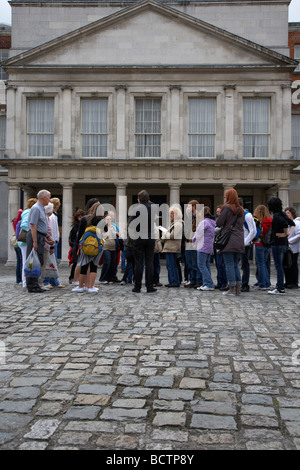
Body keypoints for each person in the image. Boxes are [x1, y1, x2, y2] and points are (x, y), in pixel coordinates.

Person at [215, 188, 244, 296]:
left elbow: (219, 222)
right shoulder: (241, 209)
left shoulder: (227, 208)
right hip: (239, 239)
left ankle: (231, 288)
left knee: (229, 264)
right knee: (235, 264)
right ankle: (237, 287)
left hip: (229, 239)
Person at [128, 189, 157, 293]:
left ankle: (137, 286)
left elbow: (131, 225)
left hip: (139, 237)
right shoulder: (153, 207)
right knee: (149, 262)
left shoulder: (136, 208)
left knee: (138, 263)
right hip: (150, 237)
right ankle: (150, 286)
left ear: (139, 199)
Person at [72, 201, 104, 293]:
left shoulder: (85, 219)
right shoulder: (101, 220)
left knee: (83, 265)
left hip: (85, 245)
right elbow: (105, 232)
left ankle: (81, 286)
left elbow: (80, 233)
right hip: (97, 246)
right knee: (94, 266)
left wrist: (79, 244)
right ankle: (90, 287)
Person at [267, 197, 295, 295]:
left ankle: (280, 287)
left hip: (277, 244)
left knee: (278, 266)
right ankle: (280, 286)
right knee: (281, 266)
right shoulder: (283, 214)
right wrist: (286, 234)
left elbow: (285, 224)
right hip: (283, 243)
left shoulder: (277, 216)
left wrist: (285, 233)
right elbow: (292, 224)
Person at [26, 189, 52, 293]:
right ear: (44, 197)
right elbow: (33, 225)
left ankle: (36, 284)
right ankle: (32, 285)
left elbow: (40, 226)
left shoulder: (41, 208)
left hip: (40, 236)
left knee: (39, 260)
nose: (49, 199)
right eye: (49, 197)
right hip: (35, 236)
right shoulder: (36, 208)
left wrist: (46, 237)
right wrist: (35, 241)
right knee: (33, 261)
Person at [192, 206, 216, 291]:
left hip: (202, 246)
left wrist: (193, 240)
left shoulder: (204, 222)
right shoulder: (212, 222)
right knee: (206, 265)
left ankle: (208, 283)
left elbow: (198, 234)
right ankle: (207, 283)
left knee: (201, 265)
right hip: (209, 246)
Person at [17, 198, 37, 288]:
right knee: (26, 261)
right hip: (26, 241)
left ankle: (27, 280)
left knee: (28, 261)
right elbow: (24, 225)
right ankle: (25, 281)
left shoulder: (28, 212)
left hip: (27, 241)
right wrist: (32, 232)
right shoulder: (28, 212)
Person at [161, 205, 183, 288]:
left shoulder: (178, 224)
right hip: (170, 247)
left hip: (172, 248)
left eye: (172, 214)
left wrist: (165, 234)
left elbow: (173, 235)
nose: (171, 216)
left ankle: (174, 282)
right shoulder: (174, 224)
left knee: (172, 266)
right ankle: (172, 281)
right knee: (170, 265)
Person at [238, 198, 257, 292]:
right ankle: (238, 283)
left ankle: (245, 284)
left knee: (245, 265)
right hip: (237, 243)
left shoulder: (247, 215)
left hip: (244, 244)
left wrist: (245, 241)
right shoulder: (237, 215)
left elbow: (253, 230)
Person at [46, 197, 65, 288]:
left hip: (53, 241)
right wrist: (52, 243)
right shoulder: (52, 217)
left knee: (52, 262)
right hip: (52, 241)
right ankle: (48, 281)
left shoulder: (53, 216)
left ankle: (54, 281)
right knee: (50, 262)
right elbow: (52, 230)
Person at [253, 205, 273, 290]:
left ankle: (262, 283)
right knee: (266, 264)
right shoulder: (271, 220)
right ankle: (267, 282)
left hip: (260, 243)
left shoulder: (259, 221)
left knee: (260, 264)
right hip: (268, 244)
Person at [184, 200, 202, 289]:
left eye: (189, 206)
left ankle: (198, 280)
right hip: (188, 242)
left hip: (194, 243)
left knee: (196, 263)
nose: (187, 208)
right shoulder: (191, 217)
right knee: (189, 263)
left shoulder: (199, 217)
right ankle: (192, 279)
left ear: (194, 207)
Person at [99, 214, 120, 284]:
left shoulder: (113, 227)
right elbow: (102, 237)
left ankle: (110, 278)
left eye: (110, 219)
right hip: (106, 247)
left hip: (114, 247)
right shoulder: (103, 228)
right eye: (107, 219)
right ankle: (103, 278)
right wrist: (109, 233)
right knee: (107, 262)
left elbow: (119, 234)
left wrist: (117, 233)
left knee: (113, 263)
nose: (109, 220)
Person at [39, 202, 55, 289]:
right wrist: (50, 241)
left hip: (47, 243)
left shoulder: (47, 218)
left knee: (44, 264)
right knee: (43, 264)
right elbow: (46, 231)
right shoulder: (45, 218)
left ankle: (41, 282)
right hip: (45, 244)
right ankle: (41, 283)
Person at [68, 209, 86, 285]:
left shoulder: (85, 225)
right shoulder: (75, 226)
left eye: (82, 216)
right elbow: (71, 237)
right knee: (76, 263)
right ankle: (72, 277)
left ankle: (81, 278)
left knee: (83, 263)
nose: (80, 218)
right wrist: (74, 245)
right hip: (76, 246)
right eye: (79, 217)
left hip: (83, 246)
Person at [284, 206, 300, 289]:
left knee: (293, 264)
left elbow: (299, 234)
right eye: (286, 213)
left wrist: (290, 241)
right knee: (287, 265)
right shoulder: (287, 223)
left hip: (293, 247)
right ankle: (288, 281)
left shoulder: (297, 223)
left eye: (288, 213)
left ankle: (294, 282)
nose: (287, 215)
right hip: (287, 247)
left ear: (292, 214)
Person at [214, 205, 227, 291]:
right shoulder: (217, 220)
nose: (218, 213)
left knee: (222, 265)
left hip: (222, 244)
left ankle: (224, 283)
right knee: (218, 265)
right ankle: (219, 282)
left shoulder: (224, 221)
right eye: (217, 212)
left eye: (219, 212)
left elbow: (216, 230)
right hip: (216, 244)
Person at [12, 209, 23, 285]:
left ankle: (18, 279)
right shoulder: (18, 223)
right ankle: (20, 279)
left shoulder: (16, 223)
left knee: (19, 262)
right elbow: (19, 212)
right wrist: (21, 211)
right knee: (21, 262)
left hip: (16, 245)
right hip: (19, 244)